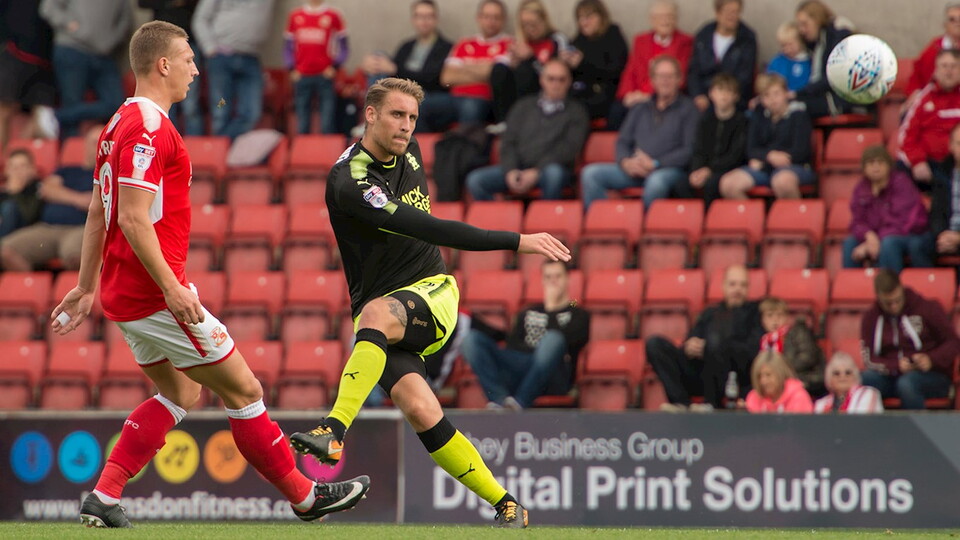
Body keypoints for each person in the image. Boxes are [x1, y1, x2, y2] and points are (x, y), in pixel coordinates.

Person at [49, 21, 368, 528]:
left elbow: (96, 212)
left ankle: (105, 495)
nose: (197, 70)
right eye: (189, 59)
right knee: (245, 391)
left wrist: (88, 286)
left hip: (126, 293)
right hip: (153, 295)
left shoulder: (117, 123)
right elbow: (130, 217)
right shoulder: (149, 128)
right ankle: (305, 497)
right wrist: (171, 287)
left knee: (182, 393)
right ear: (163, 65)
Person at [289, 77, 572, 528]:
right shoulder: (352, 183)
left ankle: (332, 430)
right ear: (370, 115)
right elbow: (429, 226)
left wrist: (517, 241)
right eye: (397, 115)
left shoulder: (410, 149)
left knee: (375, 314)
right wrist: (518, 239)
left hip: (433, 291)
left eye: (413, 118)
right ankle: (508, 505)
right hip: (384, 312)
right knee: (422, 411)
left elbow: (431, 232)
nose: (407, 126)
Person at [462, 261, 590, 410]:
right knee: (471, 340)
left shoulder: (578, 313)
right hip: (521, 368)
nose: (553, 282)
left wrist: (552, 308)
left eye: (558, 276)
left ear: (567, 279)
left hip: (553, 374)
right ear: (542, 280)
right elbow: (512, 346)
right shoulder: (528, 312)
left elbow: (569, 342)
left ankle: (520, 402)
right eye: (548, 277)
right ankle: (500, 400)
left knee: (552, 339)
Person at [580, 55, 698, 209]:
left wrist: (655, 163)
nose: (665, 81)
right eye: (661, 76)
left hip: (669, 170)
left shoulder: (689, 109)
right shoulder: (640, 107)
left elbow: (689, 150)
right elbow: (623, 141)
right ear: (653, 80)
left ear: (679, 79)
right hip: (635, 169)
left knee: (656, 182)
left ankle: (644, 223)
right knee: (590, 174)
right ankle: (605, 220)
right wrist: (626, 162)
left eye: (670, 76)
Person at [466, 59, 589, 201]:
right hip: (518, 167)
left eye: (561, 80)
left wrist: (537, 171)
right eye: (551, 79)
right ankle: (501, 215)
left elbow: (568, 149)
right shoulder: (523, 106)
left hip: (553, 168)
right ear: (542, 80)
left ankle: (546, 215)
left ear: (569, 82)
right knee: (476, 180)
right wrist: (510, 170)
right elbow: (508, 142)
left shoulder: (577, 112)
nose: (556, 84)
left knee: (554, 174)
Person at [646, 264, 764, 409]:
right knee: (655, 345)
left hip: (734, 377)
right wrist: (689, 347)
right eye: (733, 284)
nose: (737, 289)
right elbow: (691, 339)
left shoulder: (755, 313)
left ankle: (711, 404)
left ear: (748, 288)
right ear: (724, 286)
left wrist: (713, 347)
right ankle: (680, 404)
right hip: (700, 372)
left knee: (715, 345)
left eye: (743, 285)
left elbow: (753, 349)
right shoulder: (710, 313)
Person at [0, 125, 100, 271]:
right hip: (46, 227)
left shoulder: (106, 175)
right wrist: (78, 199)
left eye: (102, 142)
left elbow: (96, 203)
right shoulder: (67, 170)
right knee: (6, 250)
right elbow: (47, 189)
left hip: (80, 228)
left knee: (74, 255)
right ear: (85, 145)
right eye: (94, 142)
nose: (98, 147)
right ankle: (31, 284)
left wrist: (61, 194)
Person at [860, 269, 960, 410]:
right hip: (891, 376)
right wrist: (895, 365)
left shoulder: (928, 308)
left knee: (907, 384)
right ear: (878, 297)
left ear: (902, 289)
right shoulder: (870, 318)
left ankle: (916, 425)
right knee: (863, 379)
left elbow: (953, 342)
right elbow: (869, 358)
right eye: (888, 303)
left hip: (932, 375)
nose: (894, 306)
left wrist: (931, 359)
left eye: (897, 300)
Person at [39, 0, 130, 138]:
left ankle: (56, 116)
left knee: (116, 105)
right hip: (72, 48)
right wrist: (69, 24)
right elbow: (48, 7)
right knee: (72, 102)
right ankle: (70, 148)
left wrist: (111, 41)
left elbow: (125, 21)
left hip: (104, 54)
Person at [361, 0, 454, 133]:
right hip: (402, 91)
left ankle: (374, 123)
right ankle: (373, 121)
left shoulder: (446, 47)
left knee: (413, 103)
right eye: (419, 16)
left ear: (436, 19)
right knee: (378, 55)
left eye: (428, 16)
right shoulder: (407, 46)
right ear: (413, 20)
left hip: (429, 94)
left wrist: (396, 69)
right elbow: (392, 71)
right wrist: (370, 64)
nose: (424, 21)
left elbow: (433, 78)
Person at [719, 73, 814, 200]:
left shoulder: (799, 115)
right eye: (766, 95)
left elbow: (801, 151)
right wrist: (769, 156)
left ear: (786, 93)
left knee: (782, 182)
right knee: (728, 184)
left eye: (776, 94)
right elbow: (751, 149)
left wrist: (766, 160)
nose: (772, 99)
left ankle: (792, 213)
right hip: (765, 168)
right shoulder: (759, 116)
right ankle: (751, 213)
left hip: (795, 167)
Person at [843, 145, 933, 273]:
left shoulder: (901, 183)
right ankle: (852, 285)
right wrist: (868, 235)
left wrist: (875, 241)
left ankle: (889, 284)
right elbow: (857, 221)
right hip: (878, 237)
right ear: (864, 168)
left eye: (880, 162)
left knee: (888, 243)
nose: (876, 167)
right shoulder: (861, 188)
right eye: (871, 163)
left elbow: (902, 222)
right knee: (850, 243)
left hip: (908, 234)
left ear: (888, 165)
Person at [193, 0, 275, 139]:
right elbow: (200, 19)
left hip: (251, 59)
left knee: (252, 113)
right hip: (221, 59)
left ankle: (226, 145)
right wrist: (210, 48)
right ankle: (221, 148)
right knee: (221, 108)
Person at [611, 0, 692, 129]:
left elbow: (680, 77)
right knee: (617, 111)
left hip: (666, 96)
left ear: (676, 19)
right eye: (660, 17)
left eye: (669, 16)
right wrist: (627, 94)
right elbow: (630, 71)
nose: (665, 21)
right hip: (637, 95)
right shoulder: (641, 41)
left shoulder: (685, 42)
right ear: (652, 20)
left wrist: (647, 96)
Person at [488, 0, 567, 128]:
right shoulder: (520, 42)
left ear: (543, 20)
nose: (530, 29)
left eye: (534, 24)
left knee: (524, 70)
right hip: (518, 92)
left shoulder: (556, 40)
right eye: (525, 25)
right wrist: (512, 63)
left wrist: (531, 59)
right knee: (499, 69)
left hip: (543, 90)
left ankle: (525, 121)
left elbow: (557, 74)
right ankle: (504, 122)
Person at [439, 0, 512, 126]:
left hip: (483, 100)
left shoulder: (509, 45)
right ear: (479, 18)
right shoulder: (464, 43)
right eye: (487, 17)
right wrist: (482, 70)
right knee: (422, 104)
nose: (491, 21)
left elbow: (494, 74)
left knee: (470, 107)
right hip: (454, 98)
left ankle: (463, 140)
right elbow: (446, 78)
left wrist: (464, 67)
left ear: (503, 20)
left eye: (496, 17)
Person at [139, 0, 204, 136]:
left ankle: (194, 145)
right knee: (163, 100)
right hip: (160, 44)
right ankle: (166, 141)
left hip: (187, 42)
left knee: (190, 103)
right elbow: (142, 3)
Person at [898, 49, 960, 187]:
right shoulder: (923, 98)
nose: (949, 71)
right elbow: (907, 136)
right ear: (936, 70)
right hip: (930, 167)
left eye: (953, 66)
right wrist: (917, 161)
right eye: (944, 66)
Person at [285, 0, 348, 135]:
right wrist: (292, 68)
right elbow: (288, 46)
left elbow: (343, 47)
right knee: (302, 121)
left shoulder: (333, 15)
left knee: (327, 121)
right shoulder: (295, 15)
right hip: (302, 75)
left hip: (324, 76)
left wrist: (334, 67)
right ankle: (302, 146)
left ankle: (327, 147)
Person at [0, 0, 57, 145]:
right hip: (15, 53)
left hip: (45, 60)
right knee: (4, 111)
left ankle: (17, 152)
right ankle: (3, 156)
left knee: (42, 116)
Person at [688, 73, 747, 207]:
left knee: (711, 184)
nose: (724, 95)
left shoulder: (742, 122)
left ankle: (712, 218)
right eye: (720, 90)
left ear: (736, 96)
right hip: (706, 169)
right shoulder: (705, 121)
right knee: (685, 183)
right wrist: (696, 170)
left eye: (729, 91)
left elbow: (736, 155)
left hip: (730, 169)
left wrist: (709, 170)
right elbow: (698, 150)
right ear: (711, 94)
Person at [563, 0, 628, 124]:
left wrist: (584, 64)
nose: (584, 22)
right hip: (580, 92)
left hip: (606, 94)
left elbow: (615, 71)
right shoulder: (578, 40)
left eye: (589, 17)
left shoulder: (612, 35)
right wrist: (566, 63)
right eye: (580, 18)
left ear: (601, 17)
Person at [687, 0, 757, 112]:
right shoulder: (704, 35)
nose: (732, 16)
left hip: (733, 101)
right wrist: (698, 94)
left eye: (736, 12)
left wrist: (723, 97)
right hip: (703, 99)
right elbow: (694, 70)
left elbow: (745, 76)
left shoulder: (747, 39)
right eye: (728, 12)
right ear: (717, 13)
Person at [792, 0, 855, 118]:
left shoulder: (838, 36)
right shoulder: (814, 44)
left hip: (838, 99)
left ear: (817, 19)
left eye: (805, 24)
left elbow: (834, 76)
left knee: (794, 109)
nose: (801, 30)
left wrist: (799, 93)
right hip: (820, 95)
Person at [758, 297, 825, 398]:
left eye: (779, 315)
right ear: (763, 320)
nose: (775, 320)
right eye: (770, 315)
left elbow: (808, 357)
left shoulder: (798, 332)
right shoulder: (764, 341)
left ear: (786, 317)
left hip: (803, 379)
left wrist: (782, 371)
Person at [905, 2, 960, 112]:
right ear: (945, 24)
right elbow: (917, 77)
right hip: (935, 100)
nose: (957, 23)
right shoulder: (933, 48)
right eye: (952, 20)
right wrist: (915, 94)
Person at [744, 350, 814, 413]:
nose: (763, 381)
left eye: (768, 375)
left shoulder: (798, 397)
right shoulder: (754, 398)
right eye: (759, 376)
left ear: (780, 374)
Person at [813, 352, 884, 414]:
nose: (842, 376)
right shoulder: (820, 405)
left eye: (848, 373)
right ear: (829, 378)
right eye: (836, 373)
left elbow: (863, 422)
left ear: (855, 376)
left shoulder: (868, 394)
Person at [930, 123, 960, 257]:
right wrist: (942, 235)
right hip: (946, 234)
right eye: (959, 144)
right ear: (951, 146)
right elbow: (937, 211)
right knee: (918, 245)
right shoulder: (942, 173)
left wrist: (958, 238)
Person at [0, 149, 43, 239]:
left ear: (32, 169)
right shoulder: (2, 191)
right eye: (13, 167)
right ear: (6, 171)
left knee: (9, 207)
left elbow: (29, 217)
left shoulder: (37, 188)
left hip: (23, 233)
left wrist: (16, 193)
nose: (17, 171)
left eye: (23, 166)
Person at [766, 22, 811, 93]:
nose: (787, 49)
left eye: (790, 44)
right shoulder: (778, 61)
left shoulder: (808, 62)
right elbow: (768, 81)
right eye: (783, 45)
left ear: (800, 42)